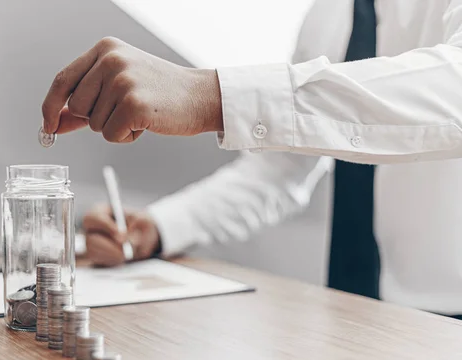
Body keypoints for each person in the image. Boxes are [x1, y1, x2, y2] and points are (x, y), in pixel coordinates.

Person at [42, 1, 462, 316]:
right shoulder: (329, 13)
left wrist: (211, 95)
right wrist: (159, 226)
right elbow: (281, 166)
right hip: (367, 317)